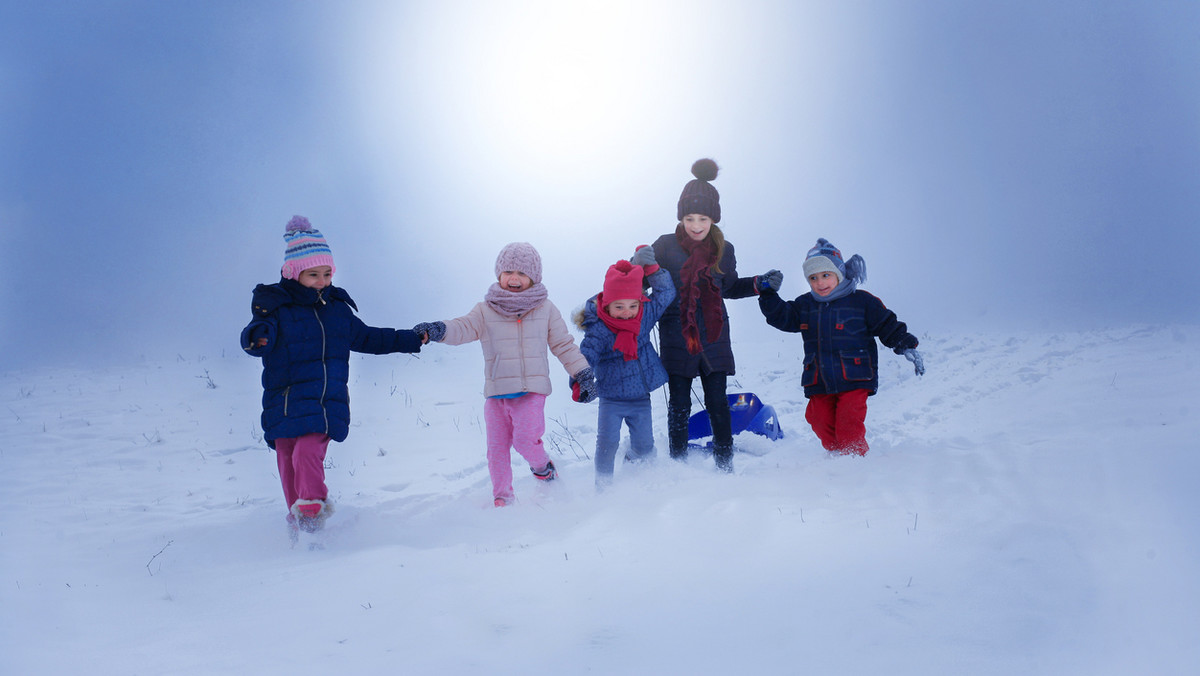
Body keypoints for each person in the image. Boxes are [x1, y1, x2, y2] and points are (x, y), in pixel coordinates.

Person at [241, 216, 425, 533]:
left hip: (325, 402)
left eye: (327, 274)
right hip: (284, 400)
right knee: (287, 459)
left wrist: (411, 337)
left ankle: (312, 512)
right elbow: (258, 336)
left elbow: (369, 338)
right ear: (293, 273)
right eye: (314, 275)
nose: (322, 281)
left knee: (307, 453)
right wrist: (257, 339)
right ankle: (298, 520)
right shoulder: (278, 309)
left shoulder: (337, 310)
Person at [413, 242, 596, 507]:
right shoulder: (485, 310)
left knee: (525, 441)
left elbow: (563, 345)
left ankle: (543, 468)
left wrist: (582, 373)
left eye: (522, 273)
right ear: (499, 273)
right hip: (497, 394)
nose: (514, 278)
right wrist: (438, 330)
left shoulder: (545, 309)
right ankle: (503, 499)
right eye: (509, 271)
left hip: (530, 391)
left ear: (533, 278)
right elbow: (462, 327)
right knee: (496, 451)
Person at [756, 238, 925, 456]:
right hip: (819, 377)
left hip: (855, 375)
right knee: (818, 418)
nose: (820, 282)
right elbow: (783, 317)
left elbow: (886, 324)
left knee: (848, 421)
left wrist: (906, 345)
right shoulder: (805, 304)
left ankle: (854, 458)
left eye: (826, 275)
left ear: (839, 273)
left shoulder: (862, 301)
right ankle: (837, 456)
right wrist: (768, 294)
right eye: (813, 278)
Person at [652, 159, 761, 472]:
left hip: (713, 337)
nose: (696, 225)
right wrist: (637, 265)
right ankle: (678, 465)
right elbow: (642, 281)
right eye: (689, 217)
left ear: (713, 218)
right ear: (681, 217)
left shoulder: (723, 250)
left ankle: (725, 465)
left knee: (717, 401)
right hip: (677, 335)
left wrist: (758, 284)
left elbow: (728, 287)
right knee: (679, 404)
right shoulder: (665, 246)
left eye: (702, 218)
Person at [575, 246, 676, 489]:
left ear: (640, 302)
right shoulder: (599, 329)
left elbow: (665, 292)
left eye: (632, 305)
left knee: (644, 445)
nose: (627, 313)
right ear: (607, 305)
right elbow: (585, 355)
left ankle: (638, 472)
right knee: (607, 443)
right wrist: (582, 380)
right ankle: (603, 485)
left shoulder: (644, 316)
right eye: (619, 307)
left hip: (640, 398)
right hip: (611, 399)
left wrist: (651, 269)